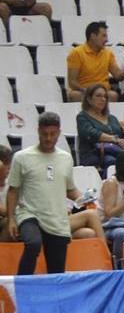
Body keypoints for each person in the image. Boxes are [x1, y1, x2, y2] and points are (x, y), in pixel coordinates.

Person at [7, 113, 79, 274]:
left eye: (53, 134)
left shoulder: (66, 158)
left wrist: (85, 199)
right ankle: (21, 284)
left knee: (56, 271)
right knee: (33, 243)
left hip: (57, 219)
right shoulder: (21, 157)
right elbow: (13, 190)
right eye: (44, 134)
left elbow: (70, 189)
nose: (48, 138)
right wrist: (11, 219)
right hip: (29, 214)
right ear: (38, 131)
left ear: (59, 132)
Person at [68, 21, 124, 103]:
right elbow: (72, 82)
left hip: (103, 91)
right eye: (103, 36)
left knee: (113, 95)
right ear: (93, 36)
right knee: (75, 95)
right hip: (84, 91)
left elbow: (118, 76)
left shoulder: (108, 53)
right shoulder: (76, 53)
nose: (106, 40)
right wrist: (88, 91)